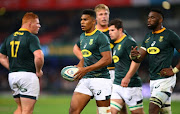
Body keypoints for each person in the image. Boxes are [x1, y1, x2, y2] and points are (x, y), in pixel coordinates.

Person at [73, 4, 128, 114]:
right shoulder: (89, 33)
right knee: (108, 108)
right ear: (95, 18)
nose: (104, 17)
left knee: (119, 106)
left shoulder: (114, 31)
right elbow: (76, 48)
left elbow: (127, 47)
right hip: (97, 73)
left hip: (116, 72)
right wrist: (85, 60)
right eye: (101, 14)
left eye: (106, 14)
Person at [130, 9, 180, 114]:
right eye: (148, 18)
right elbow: (140, 57)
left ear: (160, 19)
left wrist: (174, 70)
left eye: (152, 17)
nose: (149, 20)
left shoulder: (169, 35)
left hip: (166, 79)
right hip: (153, 80)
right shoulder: (148, 37)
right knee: (165, 111)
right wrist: (134, 56)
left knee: (153, 108)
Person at [69, 9, 112, 114]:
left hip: (101, 80)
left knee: (103, 112)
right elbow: (86, 57)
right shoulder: (82, 36)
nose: (82, 22)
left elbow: (107, 59)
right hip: (86, 79)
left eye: (85, 20)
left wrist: (86, 69)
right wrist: (78, 68)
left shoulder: (101, 37)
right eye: (81, 20)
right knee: (73, 111)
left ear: (93, 21)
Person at [0, 12, 44, 114]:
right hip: (28, 76)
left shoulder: (9, 37)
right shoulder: (31, 37)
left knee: (20, 108)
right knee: (27, 110)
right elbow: (39, 56)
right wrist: (38, 71)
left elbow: (1, 57)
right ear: (29, 24)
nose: (39, 26)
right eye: (37, 23)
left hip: (13, 76)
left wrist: (12, 68)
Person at [108, 19, 145, 114]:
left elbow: (136, 61)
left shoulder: (128, 42)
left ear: (120, 30)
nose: (110, 33)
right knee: (111, 111)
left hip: (131, 86)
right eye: (109, 31)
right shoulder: (116, 44)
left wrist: (127, 77)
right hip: (117, 84)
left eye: (112, 30)